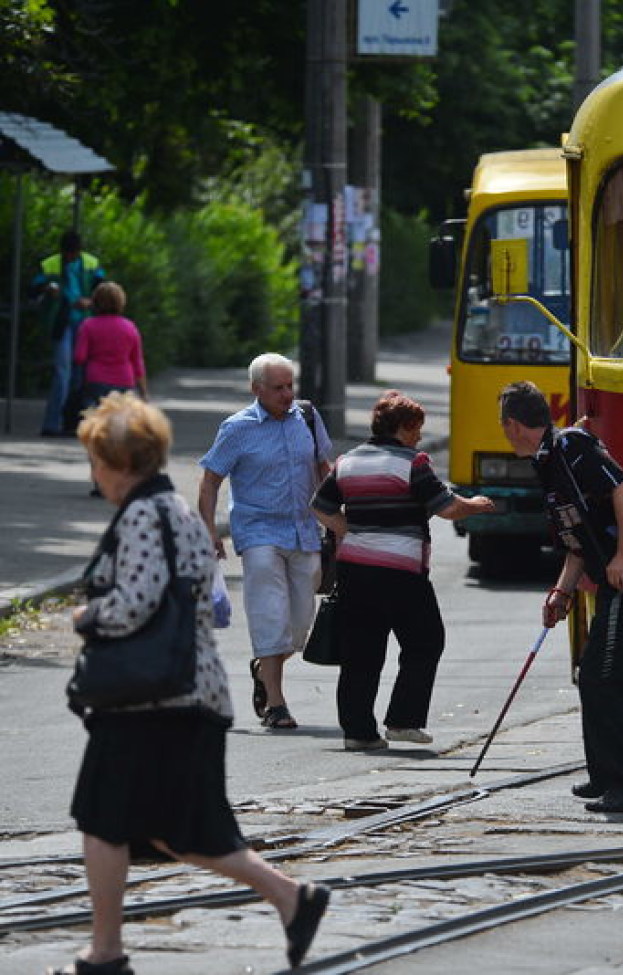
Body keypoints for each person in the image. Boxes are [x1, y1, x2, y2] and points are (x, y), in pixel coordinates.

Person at [59, 392, 328, 975]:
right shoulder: (175, 510)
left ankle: (104, 954)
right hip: (187, 695)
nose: (93, 472)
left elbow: (134, 602)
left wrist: (85, 617)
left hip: (150, 699)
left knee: (104, 817)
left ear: (120, 462)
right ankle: (292, 898)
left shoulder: (142, 515)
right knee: (183, 829)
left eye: (96, 460)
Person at [499, 380, 623, 814]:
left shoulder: (571, 445)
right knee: (593, 676)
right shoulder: (546, 461)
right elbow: (577, 539)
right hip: (608, 575)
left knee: (606, 678)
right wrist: (562, 590)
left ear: (513, 424)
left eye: (503, 424)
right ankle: (602, 775)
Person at [310, 391, 496, 751]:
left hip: (355, 570)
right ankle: (403, 720)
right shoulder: (413, 463)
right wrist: (475, 505)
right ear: (403, 428)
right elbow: (447, 509)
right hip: (401, 572)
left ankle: (358, 732)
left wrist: (351, 532)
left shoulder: (348, 462)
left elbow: (320, 507)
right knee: (426, 641)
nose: (420, 436)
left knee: (361, 652)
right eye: (417, 429)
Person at [198, 353, 332, 732]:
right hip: (257, 532)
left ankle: (263, 668)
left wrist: (336, 517)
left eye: (290, 385)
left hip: (305, 529)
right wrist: (209, 531)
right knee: (270, 612)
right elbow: (209, 482)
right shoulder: (237, 428)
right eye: (278, 388)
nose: (287, 394)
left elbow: (325, 467)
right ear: (256, 390)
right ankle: (276, 704)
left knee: (300, 622)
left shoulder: (307, 417)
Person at [31, 230, 106, 436]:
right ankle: (52, 423)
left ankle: (72, 422)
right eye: (67, 254)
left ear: (79, 251)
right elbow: (33, 289)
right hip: (61, 323)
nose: (70, 257)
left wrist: (90, 302)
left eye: (73, 254)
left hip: (85, 324)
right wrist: (47, 289)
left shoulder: (91, 263)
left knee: (79, 374)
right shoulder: (50, 264)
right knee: (62, 373)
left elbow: (104, 292)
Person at [74, 282, 148, 407]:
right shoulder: (130, 327)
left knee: (96, 420)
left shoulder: (88, 325)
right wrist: (143, 393)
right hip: (124, 381)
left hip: (95, 381)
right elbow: (137, 363)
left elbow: (79, 357)